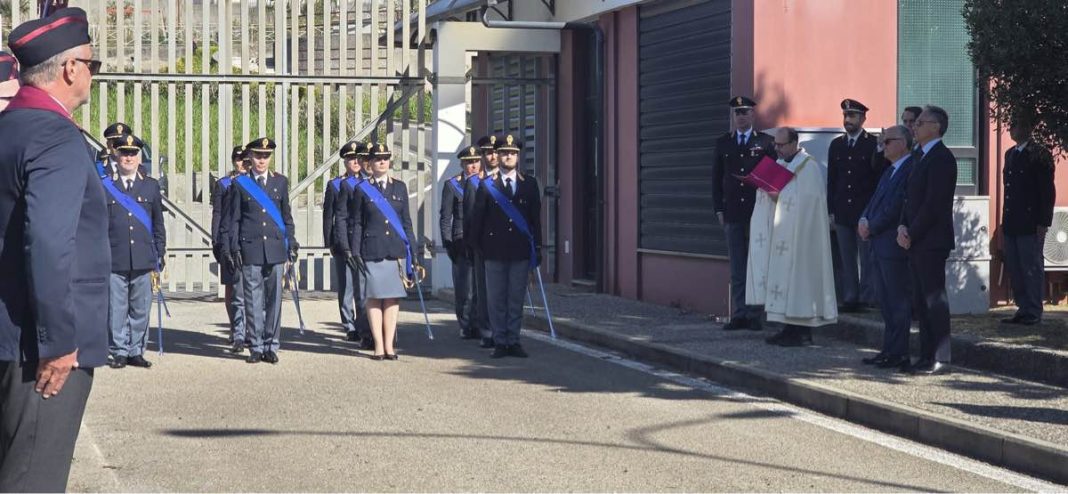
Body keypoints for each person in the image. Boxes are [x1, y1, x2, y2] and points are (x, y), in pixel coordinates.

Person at [0, 8, 108, 490]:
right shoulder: (55, 135)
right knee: (32, 480)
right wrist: (59, 342)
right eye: (93, 63)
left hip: (8, 336)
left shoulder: (9, 129)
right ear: (70, 69)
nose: (92, 73)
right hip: (39, 349)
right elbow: (47, 243)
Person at [747, 127, 837, 346]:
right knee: (784, 281)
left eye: (781, 145)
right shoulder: (779, 165)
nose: (777, 150)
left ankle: (802, 331)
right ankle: (788, 328)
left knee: (800, 281)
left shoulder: (809, 167)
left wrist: (778, 195)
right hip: (782, 234)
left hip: (801, 236)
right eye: (775, 145)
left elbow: (809, 201)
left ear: (794, 143)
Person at [223, 138, 297, 364]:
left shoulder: (280, 183)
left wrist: (291, 242)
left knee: (274, 300)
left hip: (275, 249)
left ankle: (271, 345)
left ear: (270, 158)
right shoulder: (240, 183)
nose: (261, 160)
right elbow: (233, 219)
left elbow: (286, 217)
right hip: (251, 248)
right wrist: (233, 246)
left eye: (265, 156)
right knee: (253, 300)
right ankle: (255, 346)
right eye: (257, 156)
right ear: (250, 158)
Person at [341, 143, 417, 360]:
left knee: (392, 298)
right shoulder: (361, 189)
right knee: (373, 298)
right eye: (377, 159)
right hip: (371, 250)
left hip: (393, 250)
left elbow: (406, 223)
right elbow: (357, 223)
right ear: (370, 163)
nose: (382, 162)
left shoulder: (400, 187)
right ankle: (378, 345)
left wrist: (414, 251)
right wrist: (354, 251)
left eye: (385, 158)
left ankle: (390, 345)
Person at [469, 134, 542, 358]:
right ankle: (500, 340)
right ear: (498, 156)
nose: (508, 156)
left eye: (512, 153)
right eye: (504, 153)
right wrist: (477, 249)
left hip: (520, 250)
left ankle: (514, 339)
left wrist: (537, 249)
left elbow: (535, 220)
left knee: (516, 298)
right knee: (496, 298)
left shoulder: (529, 184)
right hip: (494, 251)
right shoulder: (487, 185)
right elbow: (477, 221)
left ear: (518, 156)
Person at [897, 105, 956, 375]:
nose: (915, 126)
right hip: (916, 238)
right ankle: (924, 355)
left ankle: (940, 356)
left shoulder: (942, 158)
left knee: (934, 298)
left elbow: (934, 204)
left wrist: (913, 231)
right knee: (919, 301)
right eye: (915, 123)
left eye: (921, 122)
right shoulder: (919, 156)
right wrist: (902, 226)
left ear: (936, 127)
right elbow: (909, 198)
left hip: (931, 239)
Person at [713, 96, 776, 331]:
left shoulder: (766, 142)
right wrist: (719, 208)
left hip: (757, 212)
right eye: (737, 112)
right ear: (733, 116)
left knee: (757, 264)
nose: (741, 116)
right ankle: (739, 313)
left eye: (745, 112)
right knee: (738, 266)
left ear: (753, 115)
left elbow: (772, 179)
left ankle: (755, 314)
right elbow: (716, 180)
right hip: (733, 212)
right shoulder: (723, 143)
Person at [104, 134, 166, 369]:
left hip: (143, 256)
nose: (128, 158)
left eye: (132, 153)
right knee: (116, 307)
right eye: (124, 153)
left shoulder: (150, 186)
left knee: (140, 307)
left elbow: (158, 222)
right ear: (116, 155)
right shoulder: (106, 185)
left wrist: (160, 251)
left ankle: (136, 350)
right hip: (115, 256)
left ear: (139, 157)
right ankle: (119, 350)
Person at [858, 125, 916, 369]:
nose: (883, 146)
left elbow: (895, 207)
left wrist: (872, 225)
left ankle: (899, 352)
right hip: (878, 243)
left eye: (887, 141)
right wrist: (863, 219)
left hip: (891, 243)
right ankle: (888, 349)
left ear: (902, 143)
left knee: (897, 301)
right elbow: (874, 200)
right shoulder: (889, 171)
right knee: (885, 301)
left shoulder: (910, 168)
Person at [1000, 113, 1055, 326]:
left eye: (1017, 124)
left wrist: (1044, 222)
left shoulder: (1039, 154)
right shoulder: (1010, 154)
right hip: (1012, 221)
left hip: (1031, 222)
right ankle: (1023, 308)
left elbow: (1046, 191)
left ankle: (1033, 310)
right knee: (1015, 266)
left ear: (1028, 128)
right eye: (1011, 125)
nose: (1012, 129)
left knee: (1031, 266)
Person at [827, 99, 882, 312]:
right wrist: (831, 209)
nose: (847, 120)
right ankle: (850, 297)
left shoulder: (872, 144)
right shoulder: (837, 144)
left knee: (867, 257)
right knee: (846, 256)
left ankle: (867, 298)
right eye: (845, 116)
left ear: (863, 119)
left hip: (864, 210)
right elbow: (832, 180)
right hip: (842, 210)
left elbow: (878, 177)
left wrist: (872, 212)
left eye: (852, 116)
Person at [326, 141, 369, 343]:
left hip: (361, 241)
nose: (355, 162)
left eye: (357, 158)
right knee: (347, 286)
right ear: (344, 161)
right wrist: (331, 242)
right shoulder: (335, 185)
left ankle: (363, 323)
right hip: (342, 241)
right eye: (351, 158)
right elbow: (329, 216)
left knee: (363, 285)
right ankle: (349, 325)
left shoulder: (369, 183)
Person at [461, 135, 499, 348]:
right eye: (488, 153)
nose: (492, 156)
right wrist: (470, 245)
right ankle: (487, 331)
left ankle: (502, 328)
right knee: (483, 291)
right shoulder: (475, 183)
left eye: (495, 152)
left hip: (502, 243)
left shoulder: (508, 179)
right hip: (482, 244)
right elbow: (469, 218)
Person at [441, 146, 483, 339]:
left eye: (475, 162)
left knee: (480, 286)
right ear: (462, 164)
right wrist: (448, 244)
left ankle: (477, 322)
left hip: (481, 242)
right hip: (460, 241)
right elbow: (445, 217)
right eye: (468, 162)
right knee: (464, 288)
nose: (472, 166)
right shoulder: (453, 185)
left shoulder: (486, 184)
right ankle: (465, 324)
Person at [213, 145, 248, 353]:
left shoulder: (254, 183)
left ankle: (249, 331)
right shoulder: (224, 184)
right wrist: (216, 242)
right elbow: (218, 214)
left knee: (249, 290)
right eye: (238, 159)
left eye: (245, 159)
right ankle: (235, 328)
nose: (242, 162)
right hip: (228, 241)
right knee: (232, 287)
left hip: (248, 242)